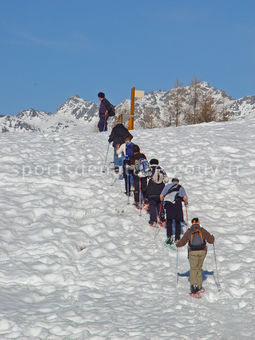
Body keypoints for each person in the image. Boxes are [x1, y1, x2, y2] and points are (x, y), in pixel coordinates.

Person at [175, 217, 215, 294]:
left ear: (192, 223)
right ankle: (199, 286)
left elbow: (183, 242)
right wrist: (213, 237)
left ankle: (193, 287)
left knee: (193, 269)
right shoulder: (202, 230)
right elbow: (211, 240)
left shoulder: (189, 231)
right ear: (198, 223)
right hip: (202, 251)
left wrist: (177, 244)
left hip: (192, 252)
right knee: (199, 269)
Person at [160, 178, 188, 244]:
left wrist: (162, 202)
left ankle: (169, 237)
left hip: (169, 204)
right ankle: (177, 238)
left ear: (172, 181)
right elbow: (185, 197)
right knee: (177, 221)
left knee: (169, 221)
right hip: (177, 204)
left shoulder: (167, 186)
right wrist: (186, 203)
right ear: (178, 182)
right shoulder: (180, 187)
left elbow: (161, 195)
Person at [145, 159, 169, 227]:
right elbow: (166, 180)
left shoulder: (151, 169)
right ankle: (162, 217)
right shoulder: (162, 170)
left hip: (152, 190)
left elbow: (146, 175)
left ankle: (153, 220)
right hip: (161, 190)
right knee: (160, 204)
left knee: (152, 204)